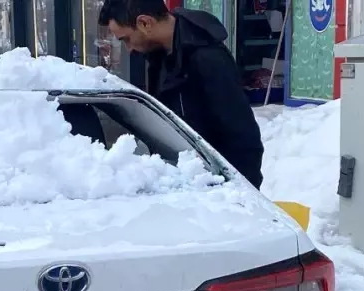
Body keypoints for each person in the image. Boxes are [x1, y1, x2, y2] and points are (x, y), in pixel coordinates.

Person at [98, 0, 264, 188]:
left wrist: (242, 193)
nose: (129, 49)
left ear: (145, 23)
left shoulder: (207, 58)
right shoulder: (159, 56)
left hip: (216, 189)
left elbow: (243, 136)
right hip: (185, 184)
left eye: (126, 39)